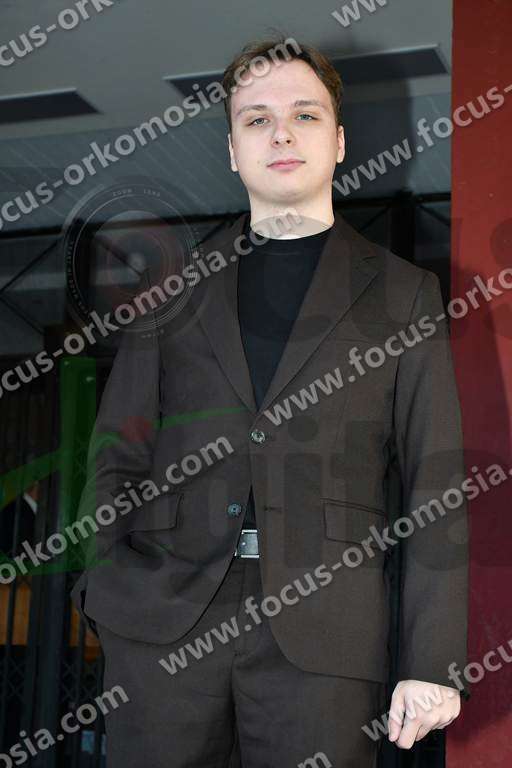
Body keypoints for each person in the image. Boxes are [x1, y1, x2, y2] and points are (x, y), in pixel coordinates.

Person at [70, 36, 469, 767]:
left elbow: (434, 482)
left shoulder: (406, 294)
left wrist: (432, 660)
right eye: (256, 119)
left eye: (304, 115)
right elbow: (116, 453)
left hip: (327, 635)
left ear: (339, 141)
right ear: (232, 150)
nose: (281, 134)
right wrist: (106, 588)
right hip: (163, 627)